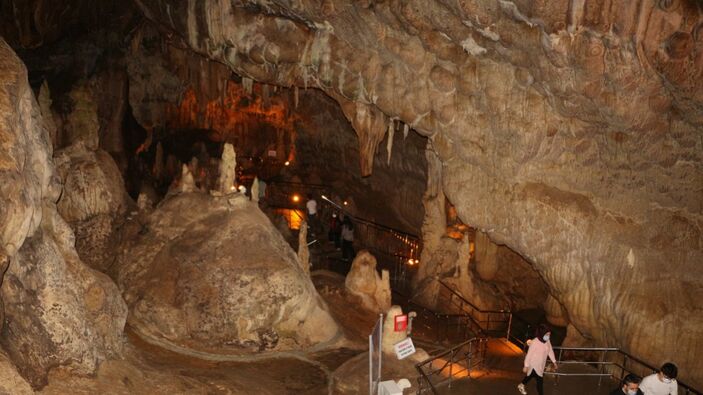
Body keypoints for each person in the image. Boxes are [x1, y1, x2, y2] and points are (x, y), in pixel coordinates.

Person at [517, 323, 557, 395]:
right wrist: (526, 366)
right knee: (539, 381)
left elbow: (550, 351)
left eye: (549, 334)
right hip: (534, 364)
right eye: (547, 334)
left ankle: (521, 384)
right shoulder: (535, 342)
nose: (548, 336)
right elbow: (529, 355)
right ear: (542, 333)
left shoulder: (547, 341)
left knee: (530, 375)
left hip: (541, 365)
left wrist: (554, 362)